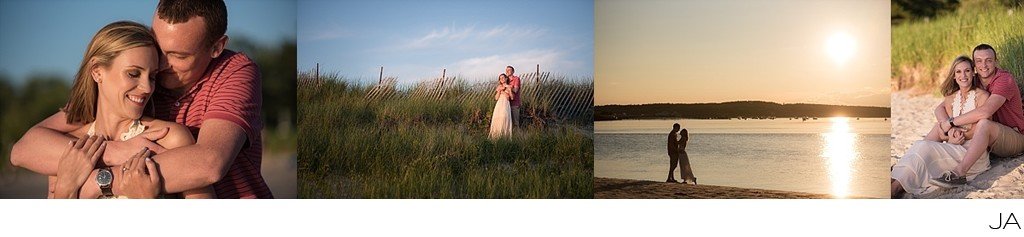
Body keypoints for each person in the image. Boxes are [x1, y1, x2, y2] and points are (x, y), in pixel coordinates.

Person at [10, 0, 272, 198]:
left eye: (179, 55)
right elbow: (24, 148)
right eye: (158, 48)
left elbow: (209, 164)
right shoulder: (145, 76)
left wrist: (100, 181)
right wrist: (113, 151)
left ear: (216, 47)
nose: (162, 64)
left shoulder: (235, 72)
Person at [11, 21, 213, 198]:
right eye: (133, 73)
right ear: (97, 72)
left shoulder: (168, 139)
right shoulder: (69, 148)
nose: (147, 87)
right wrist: (65, 190)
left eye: (152, 76)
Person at [891, 55, 990, 198]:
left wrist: (957, 137)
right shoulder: (950, 99)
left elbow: (983, 128)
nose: (963, 75)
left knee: (924, 146)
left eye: (967, 71)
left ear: (973, 73)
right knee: (923, 143)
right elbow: (942, 118)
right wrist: (950, 134)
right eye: (958, 72)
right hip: (954, 147)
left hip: (973, 154)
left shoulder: (983, 96)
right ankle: (896, 181)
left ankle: (894, 187)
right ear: (954, 76)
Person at [930, 44, 1024, 188]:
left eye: (988, 60)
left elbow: (985, 112)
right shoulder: (975, 80)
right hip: (991, 137)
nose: (983, 65)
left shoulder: (1004, 80)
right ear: (974, 65)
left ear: (996, 61)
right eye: (979, 61)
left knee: (984, 123)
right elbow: (940, 108)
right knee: (938, 127)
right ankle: (910, 163)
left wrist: (951, 122)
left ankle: (959, 174)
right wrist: (948, 128)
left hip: (1015, 136)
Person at [489, 74, 514, 139]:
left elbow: (511, 97)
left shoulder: (510, 86)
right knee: (497, 118)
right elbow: (496, 98)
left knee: (504, 118)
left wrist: (509, 90)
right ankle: (496, 136)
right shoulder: (499, 87)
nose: (502, 79)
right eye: (500, 78)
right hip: (499, 104)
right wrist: (501, 91)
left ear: (506, 78)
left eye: (503, 78)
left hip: (505, 103)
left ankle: (504, 136)